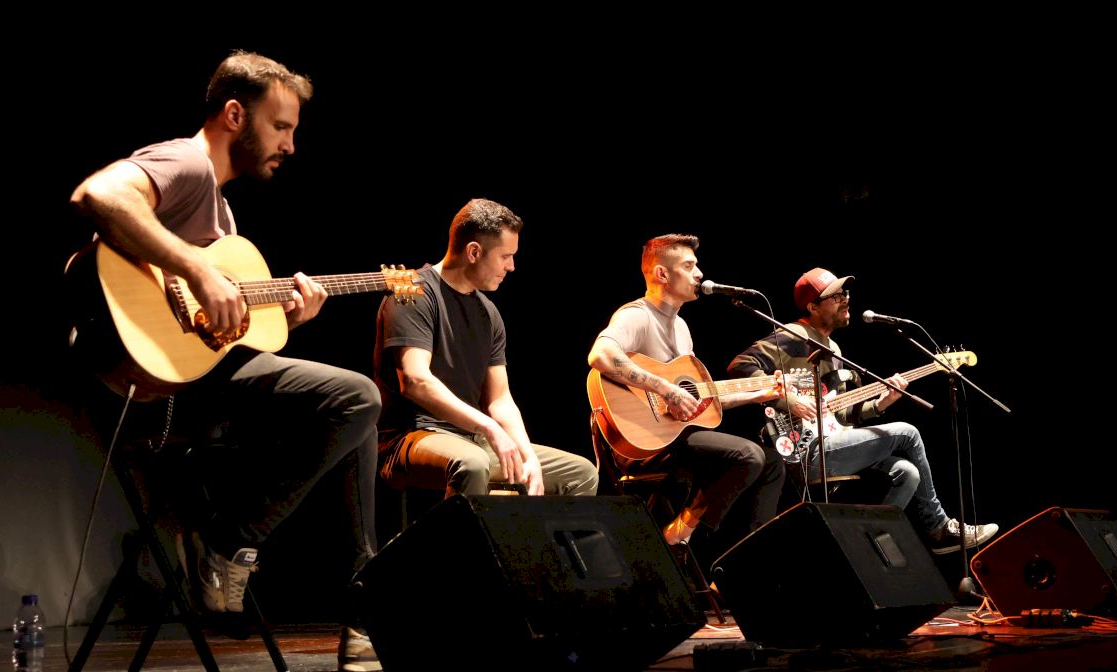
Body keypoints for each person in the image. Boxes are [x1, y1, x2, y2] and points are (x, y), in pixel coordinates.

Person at [69, 50, 381, 670]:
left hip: (198, 380)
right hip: (159, 391)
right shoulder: (186, 162)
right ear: (235, 115)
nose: (290, 145)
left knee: (359, 422)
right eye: (280, 126)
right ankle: (232, 543)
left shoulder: (220, 210)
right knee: (357, 398)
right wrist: (196, 270)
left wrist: (284, 318)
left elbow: (223, 332)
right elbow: (96, 195)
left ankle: (361, 609)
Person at [726, 267, 998, 555]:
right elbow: (740, 366)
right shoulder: (795, 335)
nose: (845, 299)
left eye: (845, 293)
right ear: (813, 307)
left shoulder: (834, 349)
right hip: (804, 450)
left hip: (831, 442)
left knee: (907, 473)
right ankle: (938, 527)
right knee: (908, 433)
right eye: (835, 296)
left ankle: (867, 547)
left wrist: (881, 403)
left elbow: (840, 414)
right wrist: (788, 399)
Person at [374, 198, 598, 500]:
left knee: (580, 474)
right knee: (472, 463)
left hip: (471, 439)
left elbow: (500, 399)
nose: (512, 266)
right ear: (474, 252)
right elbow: (416, 382)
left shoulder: (488, 313)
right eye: (505, 256)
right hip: (411, 438)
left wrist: (528, 455)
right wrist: (491, 429)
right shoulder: (413, 292)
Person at [586, 234, 785, 548]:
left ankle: (751, 553)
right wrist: (666, 389)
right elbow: (601, 355)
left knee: (773, 462)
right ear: (662, 274)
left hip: (675, 437)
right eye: (689, 266)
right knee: (747, 455)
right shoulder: (637, 315)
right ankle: (680, 532)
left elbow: (698, 398)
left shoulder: (681, 327)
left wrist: (758, 394)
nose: (700, 274)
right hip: (642, 442)